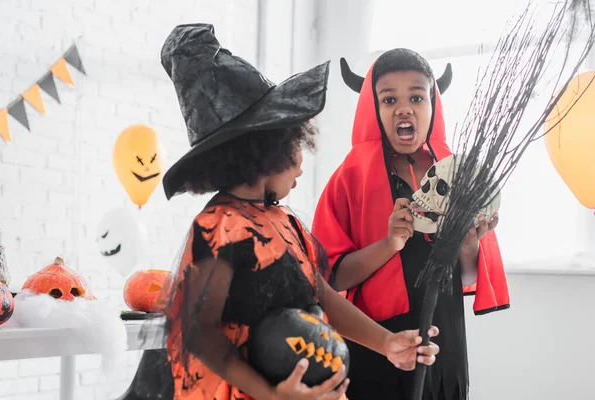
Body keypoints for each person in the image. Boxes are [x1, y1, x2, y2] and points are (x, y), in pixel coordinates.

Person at [157, 24, 441, 400]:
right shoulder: (220, 227)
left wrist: (387, 342)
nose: (301, 167)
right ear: (264, 149)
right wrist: (274, 396)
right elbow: (200, 333)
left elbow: (322, 295)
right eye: (295, 148)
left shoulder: (285, 222)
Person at [312, 49, 511, 400]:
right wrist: (389, 243)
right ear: (372, 110)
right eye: (389, 99)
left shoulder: (457, 175)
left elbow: (466, 279)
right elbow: (331, 279)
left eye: (417, 97)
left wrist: (468, 244)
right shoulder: (348, 179)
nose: (404, 108)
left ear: (433, 105)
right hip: (377, 340)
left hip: (443, 335)